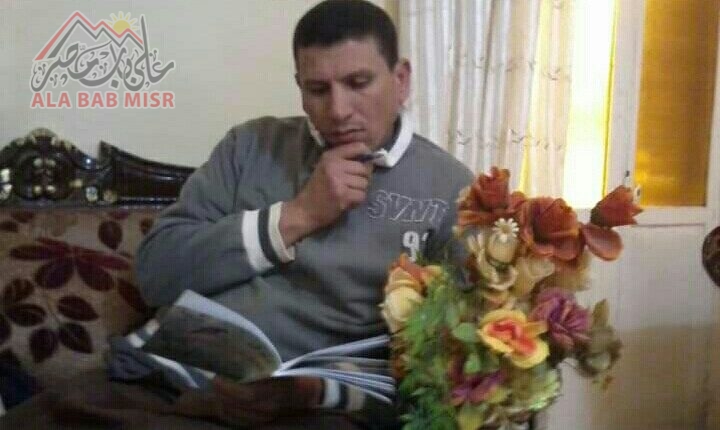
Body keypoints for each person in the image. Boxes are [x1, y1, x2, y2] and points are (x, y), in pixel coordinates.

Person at [0, 1, 473, 429]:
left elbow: (450, 368)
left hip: (309, 408)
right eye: (317, 89)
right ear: (300, 89)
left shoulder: (448, 188)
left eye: (358, 83)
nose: (338, 110)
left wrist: (317, 392)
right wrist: (298, 215)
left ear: (401, 79)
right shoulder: (251, 146)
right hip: (165, 382)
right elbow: (156, 274)